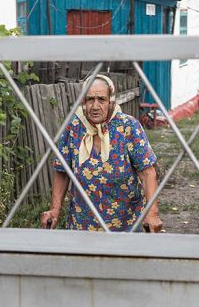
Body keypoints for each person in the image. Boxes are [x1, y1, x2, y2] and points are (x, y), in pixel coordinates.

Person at [39, 75, 163, 232]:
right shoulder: (74, 128)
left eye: (101, 99)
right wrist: (55, 209)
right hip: (82, 228)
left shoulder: (128, 127)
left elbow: (147, 173)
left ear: (111, 101)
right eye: (90, 99)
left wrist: (152, 213)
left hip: (125, 228)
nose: (95, 106)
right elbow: (62, 171)